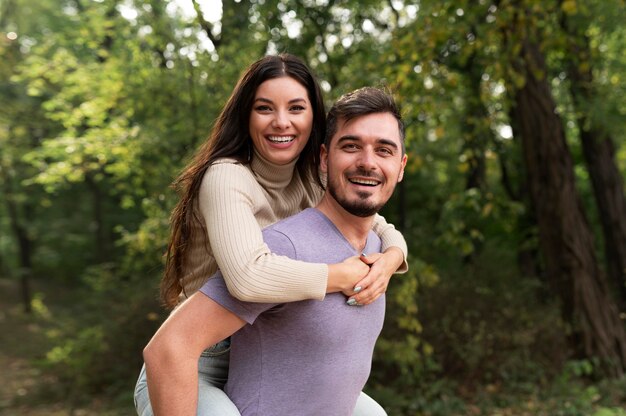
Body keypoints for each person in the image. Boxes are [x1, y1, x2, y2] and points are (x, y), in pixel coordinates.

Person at [134, 54, 408, 415]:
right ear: (247, 116)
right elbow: (247, 278)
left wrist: (390, 260)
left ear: (313, 117)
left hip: (266, 353)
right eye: (265, 108)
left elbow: (377, 221)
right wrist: (340, 275)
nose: (282, 122)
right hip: (199, 356)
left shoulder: (315, 179)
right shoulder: (227, 177)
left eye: (296, 108)